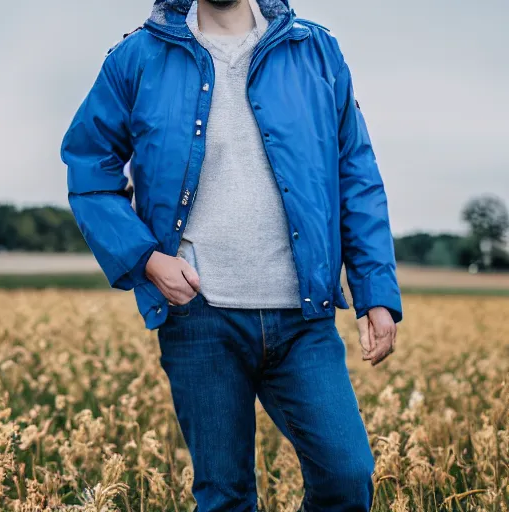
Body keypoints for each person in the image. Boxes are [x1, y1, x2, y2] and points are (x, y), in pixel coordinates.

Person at [61, 0, 402, 510]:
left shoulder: (315, 51)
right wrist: (148, 259)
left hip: (303, 318)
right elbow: (89, 170)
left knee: (347, 476)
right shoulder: (136, 58)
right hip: (199, 318)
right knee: (225, 497)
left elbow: (357, 175)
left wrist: (375, 291)